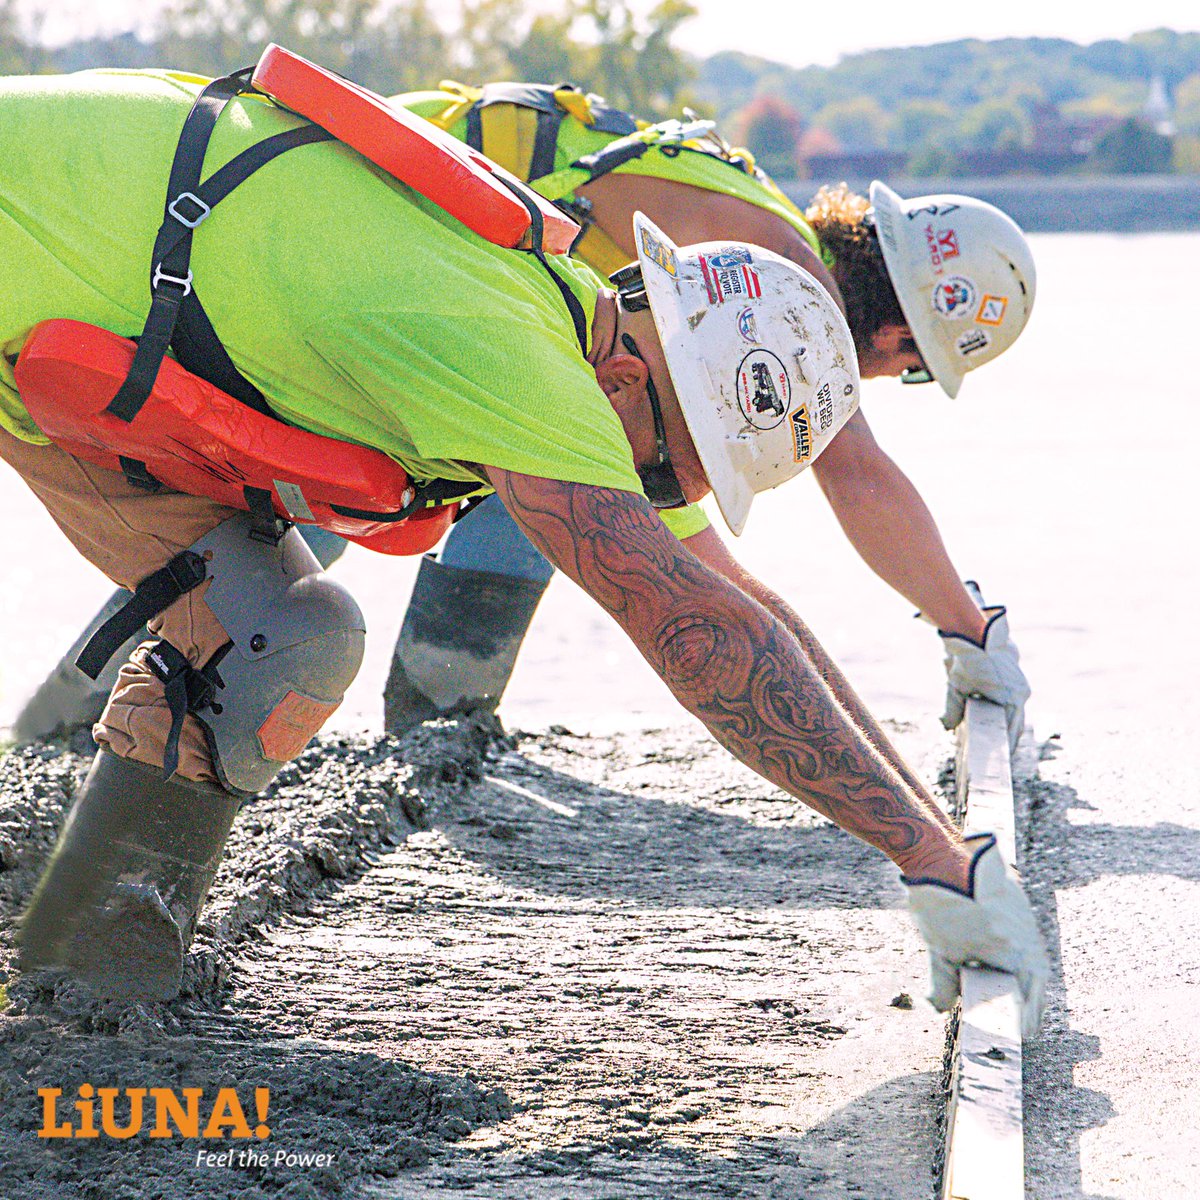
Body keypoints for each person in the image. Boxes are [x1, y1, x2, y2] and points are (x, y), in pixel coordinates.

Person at [1, 64, 1046, 1028]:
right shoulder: (524, 370)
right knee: (285, 629)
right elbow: (691, 629)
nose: (663, 498)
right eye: (672, 474)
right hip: (38, 233)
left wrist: (949, 844)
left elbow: (734, 605)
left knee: (278, 635)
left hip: (76, 314)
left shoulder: (605, 342)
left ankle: (83, 988)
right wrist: (928, 865)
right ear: (643, 387)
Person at [13, 82, 1035, 751]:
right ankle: (432, 735)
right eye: (906, 367)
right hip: (368, 315)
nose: (869, 384)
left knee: (229, 567)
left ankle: (51, 748)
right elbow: (840, 487)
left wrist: (843, 730)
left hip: (331, 287)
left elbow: (718, 584)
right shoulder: (764, 290)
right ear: (901, 329)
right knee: (259, 581)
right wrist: (962, 628)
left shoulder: (718, 244)